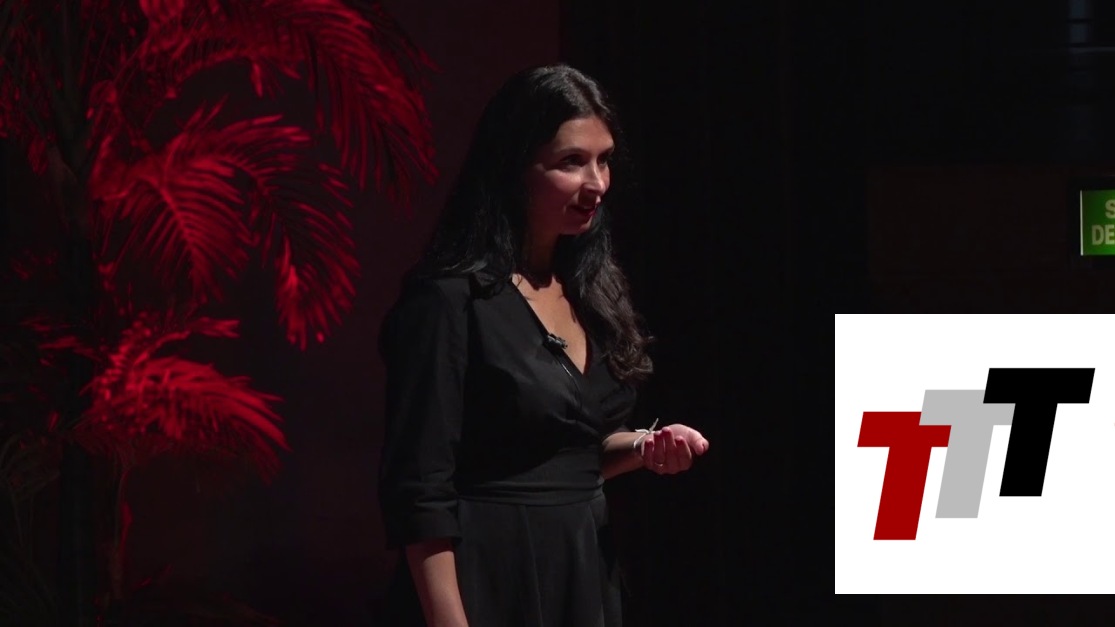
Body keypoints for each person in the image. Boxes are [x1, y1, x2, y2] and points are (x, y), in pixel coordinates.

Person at [376, 63, 710, 627]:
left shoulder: (590, 288)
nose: (596, 183)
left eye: (604, 160)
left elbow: (567, 454)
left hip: (580, 567)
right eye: (571, 162)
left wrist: (643, 446)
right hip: (488, 575)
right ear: (513, 167)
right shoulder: (450, 299)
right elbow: (420, 491)